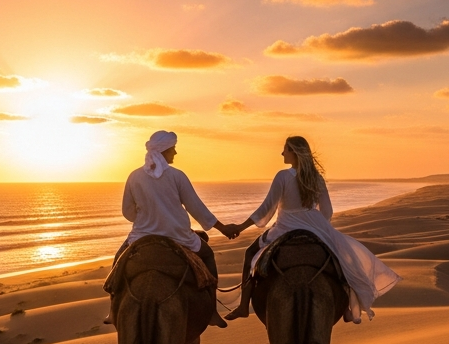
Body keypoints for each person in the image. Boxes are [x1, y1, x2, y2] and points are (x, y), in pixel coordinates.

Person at [226, 136, 400, 323]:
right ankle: (348, 309)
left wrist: (240, 227)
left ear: (294, 152)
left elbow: (267, 208)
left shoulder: (283, 176)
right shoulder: (317, 178)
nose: (282, 153)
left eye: (285, 149)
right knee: (343, 260)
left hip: (285, 227)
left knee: (250, 253)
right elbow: (328, 211)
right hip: (316, 226)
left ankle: (244, 306)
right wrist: (317, 225)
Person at [108, 130, 236, 327]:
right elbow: (196, 208)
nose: (175, 153)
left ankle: (113, 310)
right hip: (179, 236)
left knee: (118, 260)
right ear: (165, 151)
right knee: (208, 256)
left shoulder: (134, 176)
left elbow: (127, 211)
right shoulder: (177, 176)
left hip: (141, 236)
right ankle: (211, 311)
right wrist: (221, 228)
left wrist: (146, 219)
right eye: (173, 149)